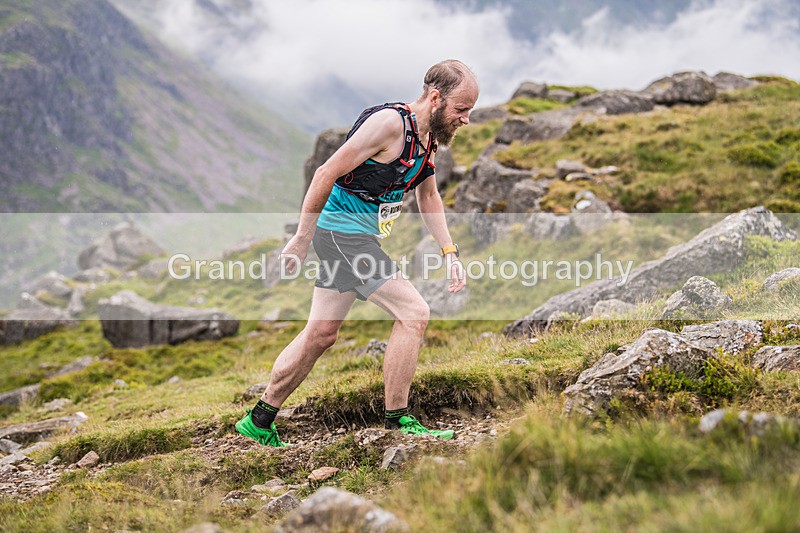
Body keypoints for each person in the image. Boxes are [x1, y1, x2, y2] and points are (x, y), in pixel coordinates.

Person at [236, 59, 479, 447]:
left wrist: (449, 251)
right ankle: (397, 419)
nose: (466, 119)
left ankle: (259, 419)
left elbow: (428, 194)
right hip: (341, 237)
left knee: (321, 334)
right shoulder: (389, 125)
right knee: (414, 314)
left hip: (358, 238)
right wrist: (301, 238)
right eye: (461, 110)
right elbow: (324, 173)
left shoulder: (428, 136)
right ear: (435, 98)